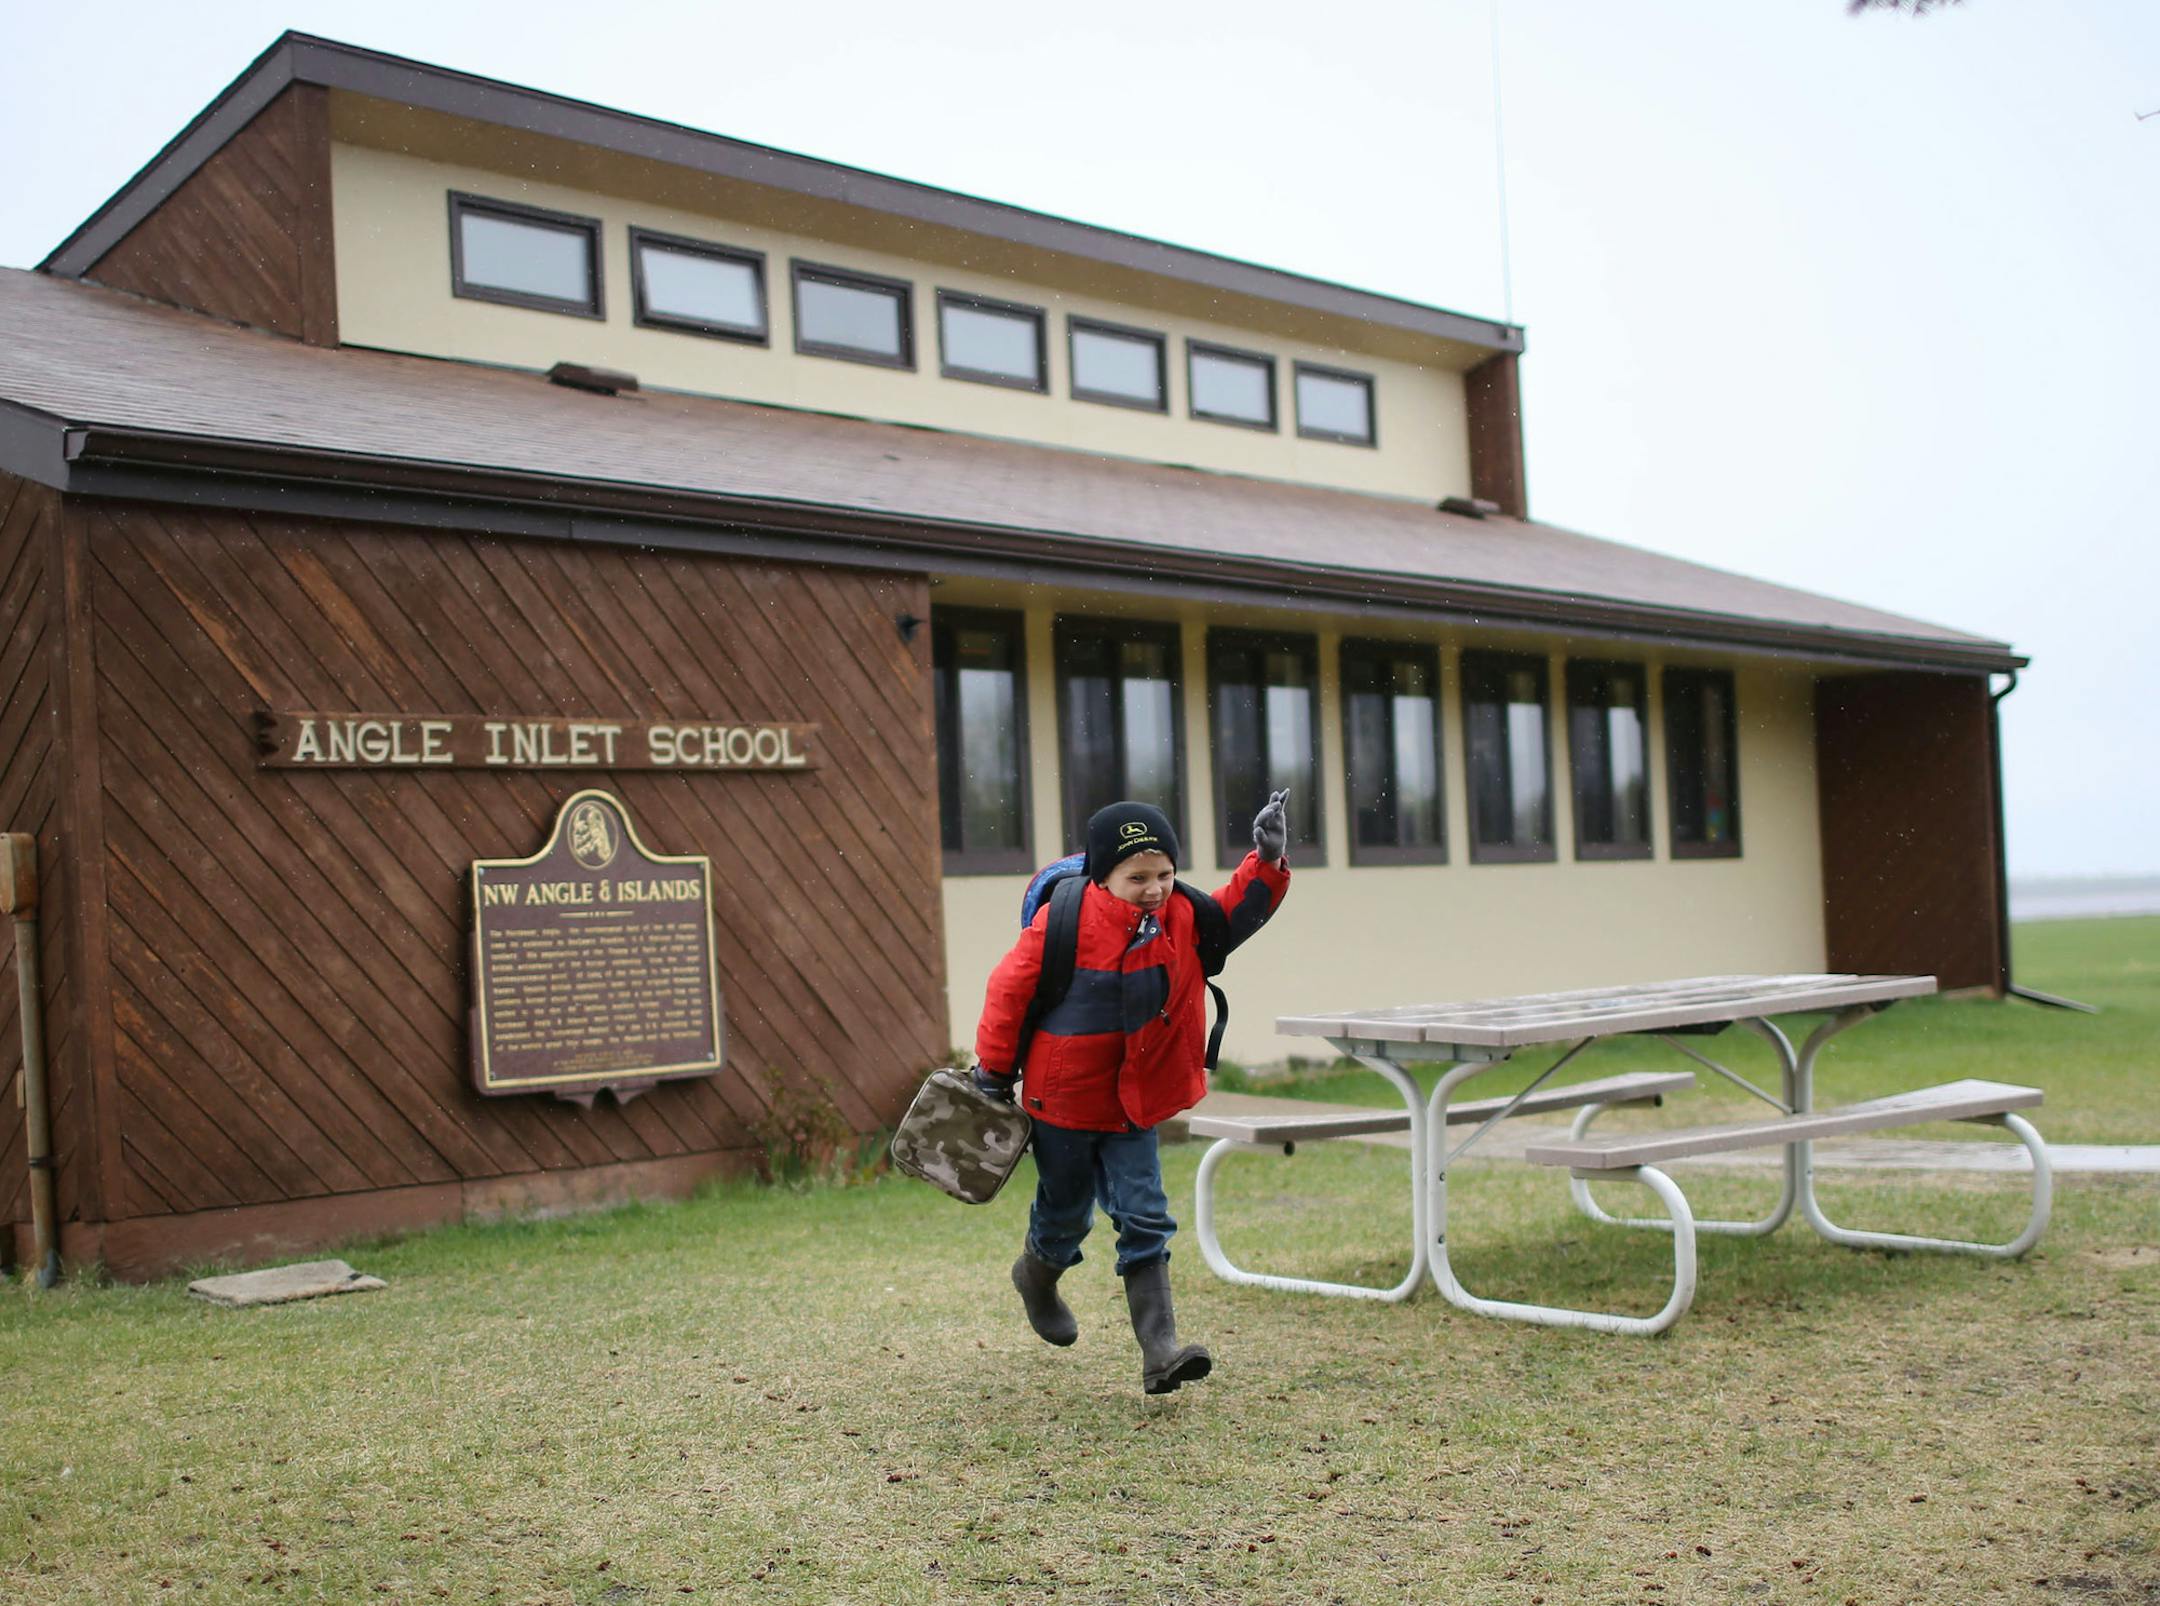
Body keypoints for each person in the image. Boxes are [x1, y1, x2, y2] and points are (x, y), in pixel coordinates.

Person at [970, 791, 1292, 1395]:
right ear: (1102, 875)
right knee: (1065, 1216)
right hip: (1062, 1102)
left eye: (1165, 873)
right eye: (1137, 876)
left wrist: (1267, 858)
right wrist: (991, 1073)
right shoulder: (1061, 923)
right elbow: (1007, 993)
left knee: (1145, 1216)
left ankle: (1160, 1350)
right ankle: (1036, 1275)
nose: (1155, 888)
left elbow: (1238, 912)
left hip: (1133, 1106)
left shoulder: (1186, 917)